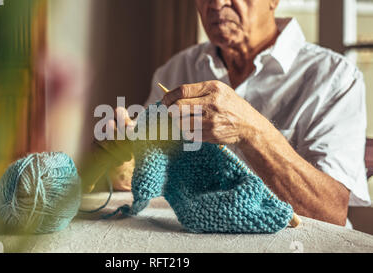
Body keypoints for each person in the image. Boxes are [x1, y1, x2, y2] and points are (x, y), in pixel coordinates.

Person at [107, 0, 371, 226]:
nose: (216, 3)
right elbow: (150, 172)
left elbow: (330, 214)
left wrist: (253, 131)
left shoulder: (334, 77)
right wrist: (125, 157)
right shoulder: (177, 70)